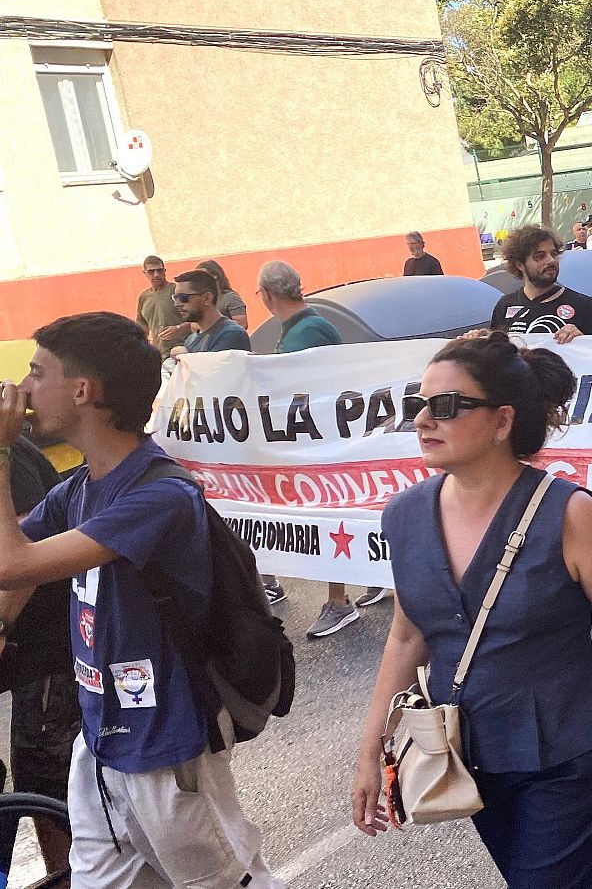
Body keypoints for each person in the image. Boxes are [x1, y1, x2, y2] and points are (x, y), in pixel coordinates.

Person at [350, 334, 592, 885]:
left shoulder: (570, 514)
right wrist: (371, 753)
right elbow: (406, 639)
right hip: (466, 750)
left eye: (446, 407)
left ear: (501, 420)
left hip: (563, 750)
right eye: (419, 405)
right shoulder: (405, 517)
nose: (423, 421)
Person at [0, 312, 282, 887]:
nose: (23, 389)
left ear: (84, 391)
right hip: (102, 744)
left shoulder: (161, 494)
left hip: (166, 749)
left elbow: (13, 565)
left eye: (36, 372)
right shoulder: (78, 488)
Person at [255, 261, 381, 627]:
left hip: (323, 442)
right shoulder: (299, 329)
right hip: (313, 440)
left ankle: (339, 601)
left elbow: (311, 386)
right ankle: (372, 581)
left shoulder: (309, 330)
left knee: (330, 513)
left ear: (267, 295)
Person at [1, 433, 79, 876]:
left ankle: (74, 878)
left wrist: (1, 624)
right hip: (23, 643)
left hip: (45, 642)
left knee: (47, 777)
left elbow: (27, 542)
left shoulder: (11, 453)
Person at [491, 226, 592, 341]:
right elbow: (495, 353)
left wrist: (582, 339)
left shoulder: (582, 305)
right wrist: (480, 341)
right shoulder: (505, 305)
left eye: (553, 254)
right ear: (519, 264)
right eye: (540, 256)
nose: (551, 260)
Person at [168, 269, 252, 357]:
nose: (177, 304)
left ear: (207, 298)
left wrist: (186, 357)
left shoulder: (232, 334)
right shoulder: (191, 340)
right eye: (175, 298)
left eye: (183, 297)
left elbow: (216, 368)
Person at [134, 254, 185, 357]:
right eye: (151, 271)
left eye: (159, 270)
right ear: (145, 273)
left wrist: (178, 328)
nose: (156, 274)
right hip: (160, 354)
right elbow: (142, 327)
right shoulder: (144, 297)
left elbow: (196, 319)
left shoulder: (177, 290)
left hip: (183, 349)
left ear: (165, 271)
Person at [196, 259, 250, 330]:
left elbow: (242, 324)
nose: (199, 280)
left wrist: (212, 325)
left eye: (202, 275)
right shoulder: (203, 299)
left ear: (215, 275)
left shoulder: (230, 297)